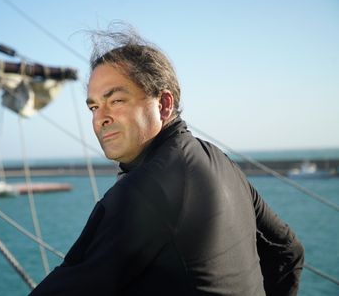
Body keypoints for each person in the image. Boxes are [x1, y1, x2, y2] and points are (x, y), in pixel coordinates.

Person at [29, 26, 304, 296]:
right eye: (94, 106)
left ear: (163, 104)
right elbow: (287, 251)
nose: (100, 118)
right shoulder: (219, 160)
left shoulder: (141, 192)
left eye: (117, 101)